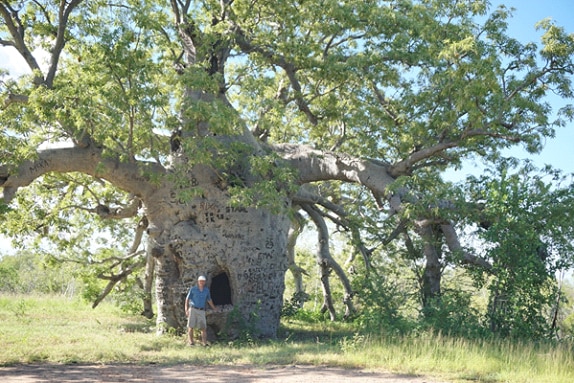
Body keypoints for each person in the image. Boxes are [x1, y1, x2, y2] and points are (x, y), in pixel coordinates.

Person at [185, 275, 217, 346]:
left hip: (201, 310)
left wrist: (214, 308)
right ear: (198, 281)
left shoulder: (206, 290)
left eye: (203, 281)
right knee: (191, 326)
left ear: (205, 282)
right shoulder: (193, 289)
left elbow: (209, 300)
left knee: (203, 327)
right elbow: (187, 299)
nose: (201, 282)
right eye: (200, 281)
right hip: (193, 309)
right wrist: (186, 309)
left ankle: (204, 343)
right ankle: (191, 342)